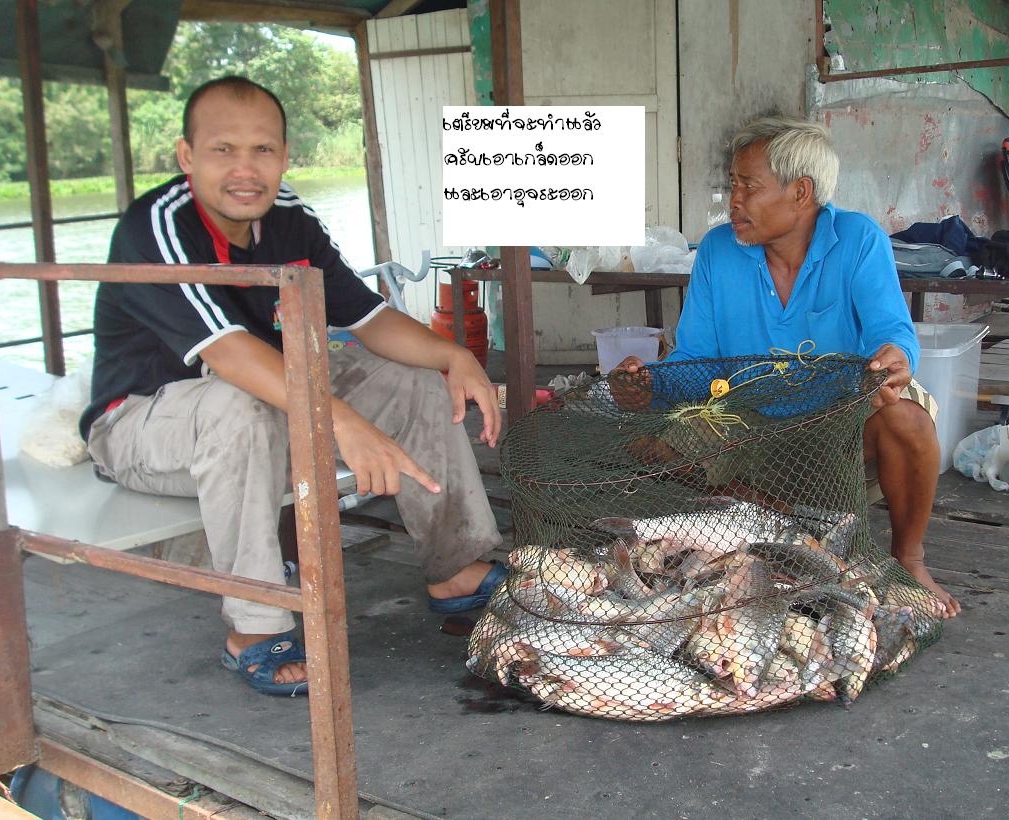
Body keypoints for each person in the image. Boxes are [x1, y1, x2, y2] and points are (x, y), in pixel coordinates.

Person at [79, 76, 508, 696]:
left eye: (264, 151)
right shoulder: (159, 226)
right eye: (224, 149)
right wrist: (346, 424)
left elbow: (366, 317)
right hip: (144, 419)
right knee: (239, 406)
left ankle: (455, 566)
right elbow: (230, 356)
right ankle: (254, 625)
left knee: (411, 381)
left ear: (284, 155)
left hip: (265, 400)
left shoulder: (289, 219)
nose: (246, 169)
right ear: (186, 156)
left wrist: (453, 356)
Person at [614, 116, 959, 618]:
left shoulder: (859, 239)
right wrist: (650, 386)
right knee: (654, 446)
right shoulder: (717, 250)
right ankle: (778, 519)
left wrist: (895, 360)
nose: (734, 200)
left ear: (801, 192)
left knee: (907, 418)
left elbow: (894, 331)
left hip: (841, 424)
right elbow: (694, 359)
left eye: (749, 186)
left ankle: (909, 558)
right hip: (752, 424)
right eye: (732, 185)